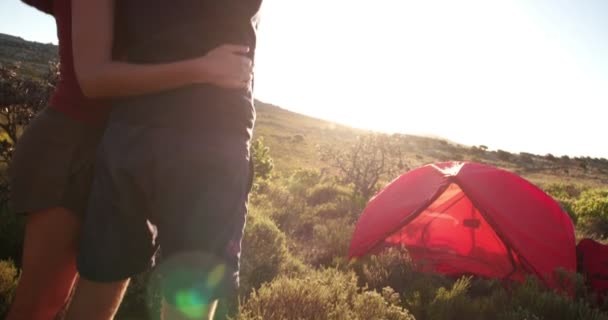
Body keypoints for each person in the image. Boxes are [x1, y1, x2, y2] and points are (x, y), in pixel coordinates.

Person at [7, 1, 253, 319]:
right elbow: (93, 79)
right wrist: (203, 68)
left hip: (118, 138)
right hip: (72, 143)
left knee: (71, 294)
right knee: (39, 306)